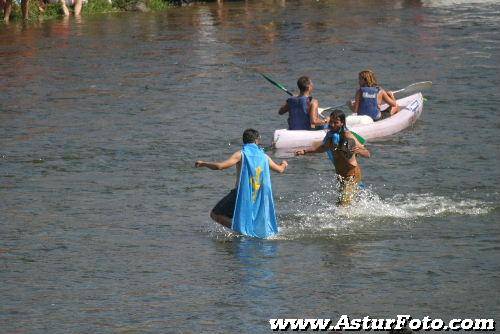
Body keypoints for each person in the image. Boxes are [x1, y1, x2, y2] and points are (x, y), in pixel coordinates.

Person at [195, 128, 288, 238]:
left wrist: (203, 163)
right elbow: (280, 169)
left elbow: (220, 166)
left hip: (240, 194)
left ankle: (242, 231)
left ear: (243, 140)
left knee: (215, 214)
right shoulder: (264, 157)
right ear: (257, 140)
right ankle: (245, 230)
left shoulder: (241, 154)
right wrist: (284, 164)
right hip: (258, 195)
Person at [295, 110, 370, 206]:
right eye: (331, 122)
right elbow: (323, 148)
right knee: (340, 203)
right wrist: (305, 151)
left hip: (352, 172)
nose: (332, 124)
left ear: (342, 123)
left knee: (344, 203)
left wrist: (358, 151)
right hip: (340, 173)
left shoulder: (347, 135)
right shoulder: (330, 135)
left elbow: (367, 153)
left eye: (336, 122)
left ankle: (347, 219)